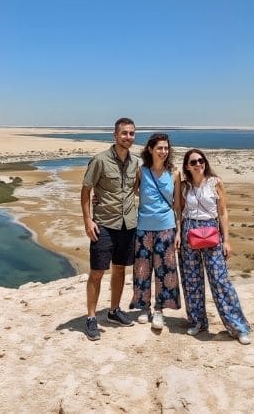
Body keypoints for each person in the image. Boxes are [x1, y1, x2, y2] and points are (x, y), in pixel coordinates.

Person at [176, 149, 252, 345]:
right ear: (187, 166)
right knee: (192, 280)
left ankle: (238, 326)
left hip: (211, 230)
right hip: (189, 230)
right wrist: (178, 233)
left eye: (201, 160)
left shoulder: (215, 183)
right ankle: (197, 322)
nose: (198, 164)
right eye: (193, 162)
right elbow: (179, 211)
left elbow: (223, 212)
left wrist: (226, 240)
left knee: (220, 280)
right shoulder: (184, 186)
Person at [81, 117, 140, 341]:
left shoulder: (135, 163)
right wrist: (88, 220)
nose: (128, 137)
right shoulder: (100, 160)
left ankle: (114, 311)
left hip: (128, 224)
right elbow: (86, 192)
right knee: (97, 272)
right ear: (115, 135)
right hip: (104, 224)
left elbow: (133, 190)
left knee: (120, 269)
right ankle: (91, 318)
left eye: (131, 133)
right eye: (124, 133)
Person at [129, 133, 181, 330]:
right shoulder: (141, 171)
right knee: (142, 269)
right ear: (150, 149)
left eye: (166, 148)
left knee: (165, 270)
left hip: (166, 228)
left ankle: (159, 310)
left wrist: (178, 232)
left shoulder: (174, 173)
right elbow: (130, 192)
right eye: (159, 148)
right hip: (143, 228)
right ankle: (144, 307)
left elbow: (178, 206)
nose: (164, 152)